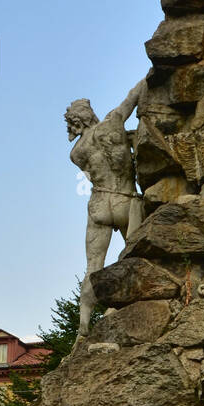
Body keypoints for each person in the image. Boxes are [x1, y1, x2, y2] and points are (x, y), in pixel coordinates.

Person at [66, 81, 145, 336]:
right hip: (124, 198)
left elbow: (91, 173)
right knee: (135, 253)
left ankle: (83, 327)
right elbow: (133, 95)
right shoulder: (113, 122)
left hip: (99, 203)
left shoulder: (77, 152)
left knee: (93, 266)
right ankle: (122, 302)